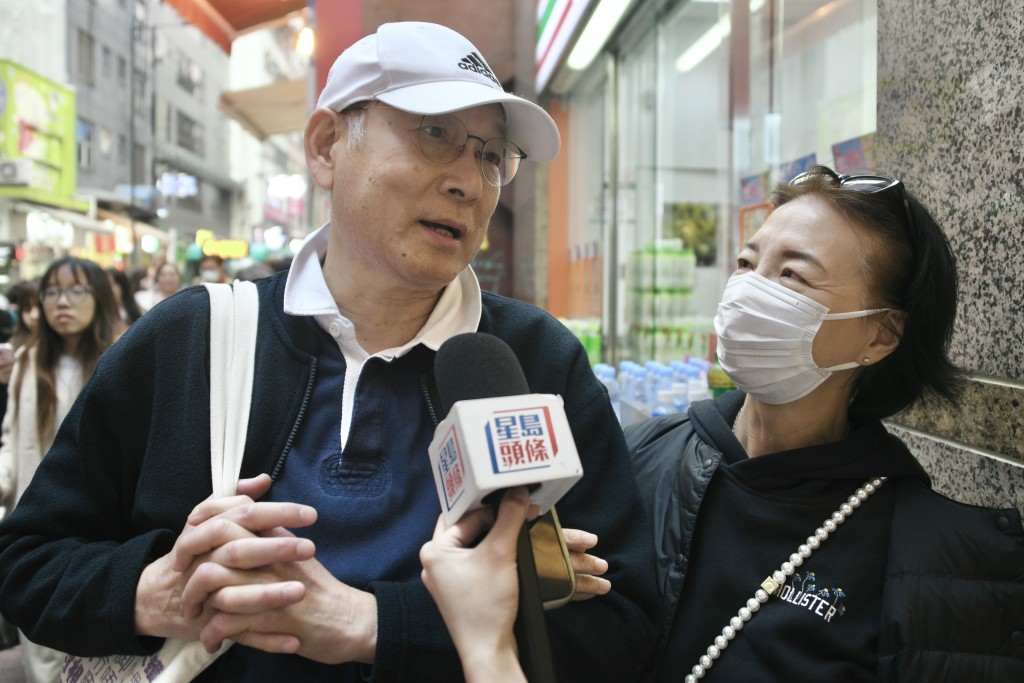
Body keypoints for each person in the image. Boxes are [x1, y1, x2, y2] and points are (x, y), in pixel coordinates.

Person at [0, 21, 660, 683]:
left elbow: (624, 628)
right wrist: (160, 587)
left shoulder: (533, 364)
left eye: (492, 156)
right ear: (325, 147)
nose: (469, 181)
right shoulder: (190, 339)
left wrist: (372, 624)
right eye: (435, 133)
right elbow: (29, 561)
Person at [626, 166, 1024, 681]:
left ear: (879, 336)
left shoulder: (942, 561)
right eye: (746, 263)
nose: (748, 291)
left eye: (793, 274)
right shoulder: (639, 456)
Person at [0, 257, 119, 682]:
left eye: (75, 290)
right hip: (38, 531)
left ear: (99, 297)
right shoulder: (28, 364)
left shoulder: (123, 359)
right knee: (42, 656)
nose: (60, 302)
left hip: (101, 535)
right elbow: (11, 441)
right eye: (51, 292)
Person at [107, 267, 144, 338]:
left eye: (111, 284)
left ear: (122, 286)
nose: (108, 289)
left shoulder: (134, 310)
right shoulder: (101, 314)